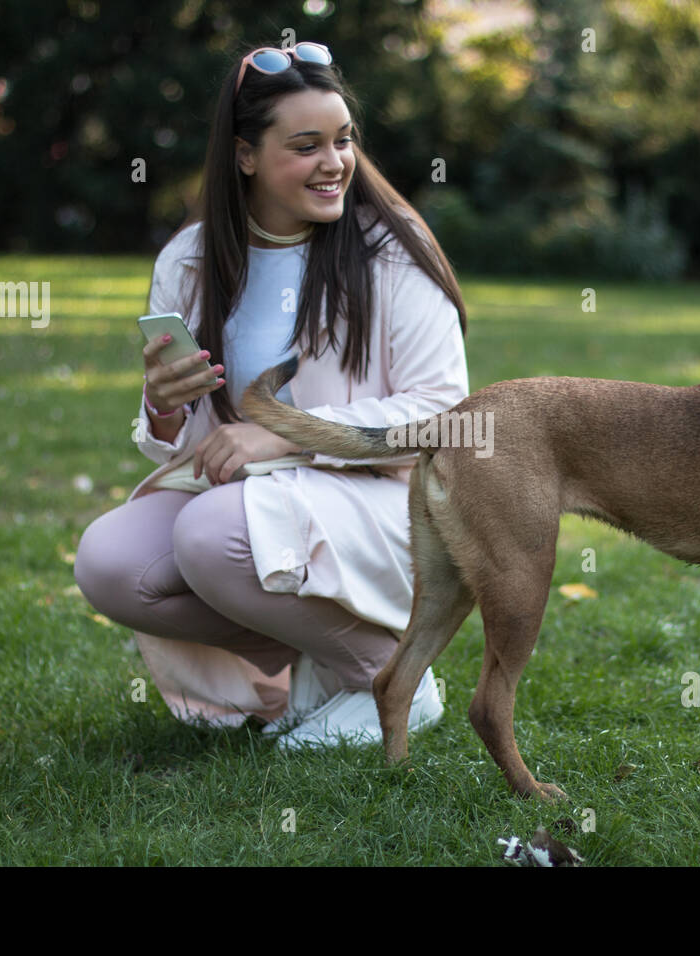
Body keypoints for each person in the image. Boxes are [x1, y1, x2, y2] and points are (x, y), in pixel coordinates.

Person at [74, 41, 470, 750]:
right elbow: (197, 439)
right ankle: (322, 663)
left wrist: (289, 432)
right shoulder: (190, 260)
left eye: (344, 140)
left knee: (210, 534)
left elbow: (442, 414)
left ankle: (391, 680)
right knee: (110, 563)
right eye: (306, 145)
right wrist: (165, 403)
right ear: (246, 155)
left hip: (387, 500)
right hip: (255, 499)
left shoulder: (391, 249)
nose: (335, 162)